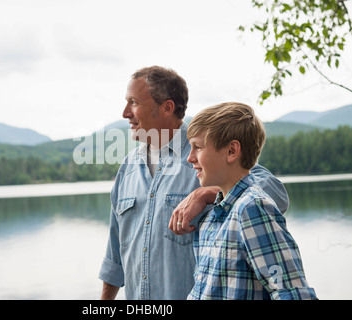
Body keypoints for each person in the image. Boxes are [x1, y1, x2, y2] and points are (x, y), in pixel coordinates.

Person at [98, 66, 290, 300]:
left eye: (134, 102)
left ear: (167, 107)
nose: (125, 112)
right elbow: (115, 255)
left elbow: (275, 193)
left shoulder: (207, 154)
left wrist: (207, 193)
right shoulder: (127, 168)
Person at [183, 102, 317, 300]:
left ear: (231, 151)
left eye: (198, 147)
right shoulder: (211, 217)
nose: (189, 158)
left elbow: (292, 293)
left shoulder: (253, 208)